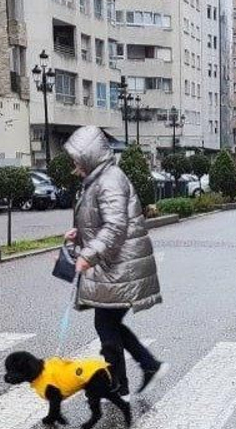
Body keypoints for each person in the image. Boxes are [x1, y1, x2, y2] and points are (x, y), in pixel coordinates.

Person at [62, 126, 164, 396]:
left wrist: (88, 254)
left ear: (89, 156)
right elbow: (103, 222)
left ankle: (120, 385)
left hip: (121, 267)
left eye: (77, 160)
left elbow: (115, 227)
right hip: (117, 265)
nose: (75, 166)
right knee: (109, 324)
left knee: (106, 325)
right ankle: (146, 366)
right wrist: (79, 234)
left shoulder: (109, 180)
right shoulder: (100, 178)